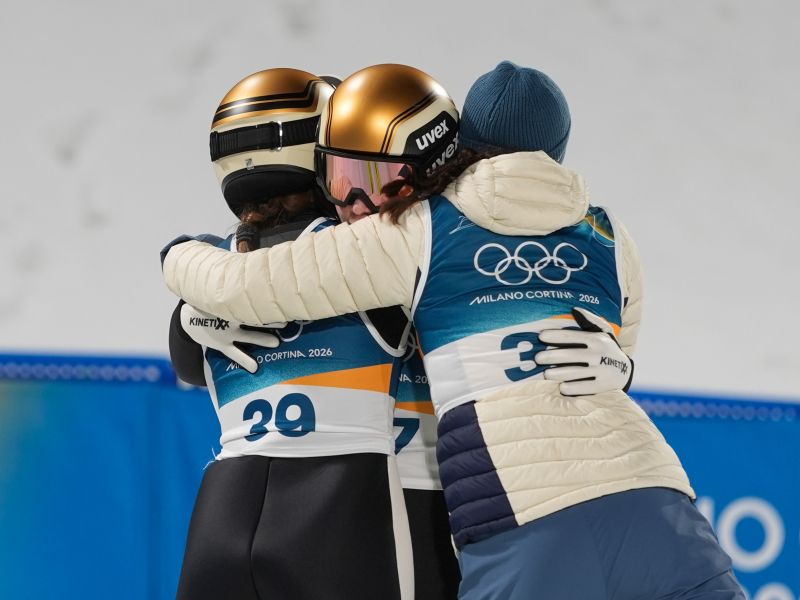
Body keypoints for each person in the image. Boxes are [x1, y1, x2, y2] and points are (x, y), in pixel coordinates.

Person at [161, 61, 744, 598]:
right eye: (344, 177)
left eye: (378, 180)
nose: (360, 203)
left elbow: (231, 301)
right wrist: (618, 365)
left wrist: (181, 263)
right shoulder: (604, 233)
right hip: (626, 493)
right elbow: (605, 359)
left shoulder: (406, 234)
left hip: (250, 505)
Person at [168, 67, 419, 600]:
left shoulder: (207, 269)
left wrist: (184, 275)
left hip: (223, 506)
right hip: (340, 504)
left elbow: (186, 363)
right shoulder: (366, 249)